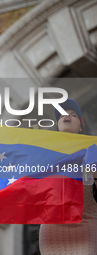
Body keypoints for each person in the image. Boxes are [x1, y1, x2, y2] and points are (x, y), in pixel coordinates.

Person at [39, 99, 97, 254]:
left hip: (85, 223)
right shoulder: (44, 153)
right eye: (62, 115)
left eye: (73, 115)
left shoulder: (93, 148)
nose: (67, 116)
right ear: (57, 125)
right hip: (52, 228)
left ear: (80, 126)